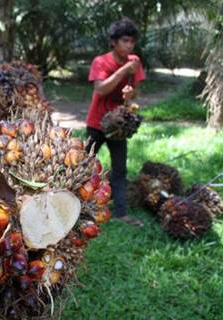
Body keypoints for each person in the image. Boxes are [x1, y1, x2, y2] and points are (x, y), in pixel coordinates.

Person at [85, 17, 145, 226]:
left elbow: (136, 91)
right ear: (114, 42)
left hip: (119, 127)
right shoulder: (101, 62)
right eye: (125, 41)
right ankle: (75, 205)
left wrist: (131, 93)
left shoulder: (134, 62)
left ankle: (120, 213)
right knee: (83, 164)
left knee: (119, 169)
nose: (129, 46)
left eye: (132, 42)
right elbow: (100, 89)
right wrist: (123, 71)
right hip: (96, 123)